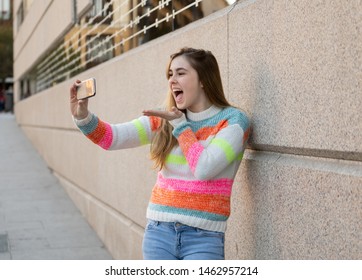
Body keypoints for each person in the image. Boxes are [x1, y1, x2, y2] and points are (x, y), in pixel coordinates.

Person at [70, 47, 250, 260]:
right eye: (170, 74)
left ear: (203, 79)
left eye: (181, 73)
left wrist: (180, 125)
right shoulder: (166, 119)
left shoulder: (233, 121)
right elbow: (112, 138)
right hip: (159, 232)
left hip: (204, 237)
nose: (173, 80)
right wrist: (82, 117)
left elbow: (204, 168)